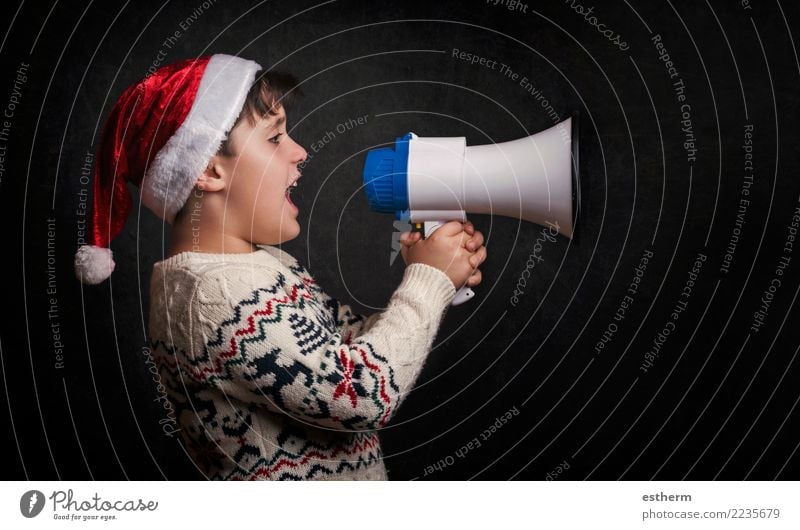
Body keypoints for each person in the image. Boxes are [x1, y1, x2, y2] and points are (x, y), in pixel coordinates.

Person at [74, 54, 487, 480]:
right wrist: (428, 280)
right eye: (274, 138)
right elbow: (362, 394)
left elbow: (341, 351)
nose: (300, 151)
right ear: (209, 170)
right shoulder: (210, 296)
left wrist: (436, 277)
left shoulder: (260, 264)